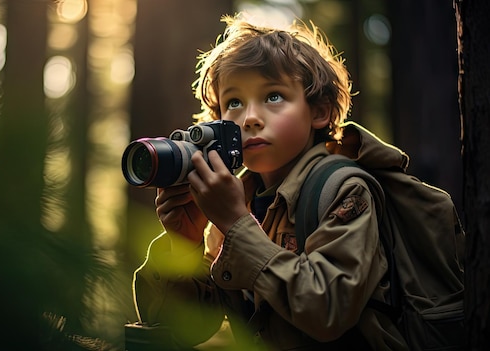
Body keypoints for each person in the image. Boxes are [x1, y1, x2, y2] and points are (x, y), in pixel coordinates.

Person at [131, 12, 408, 350]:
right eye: (234, 102)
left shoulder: (343, 189)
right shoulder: (238, 199)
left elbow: (329, 311)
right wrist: (184, 245)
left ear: (319, 111)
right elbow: (184, 328)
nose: (250, 118)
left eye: (273, 96)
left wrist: (237, 225)